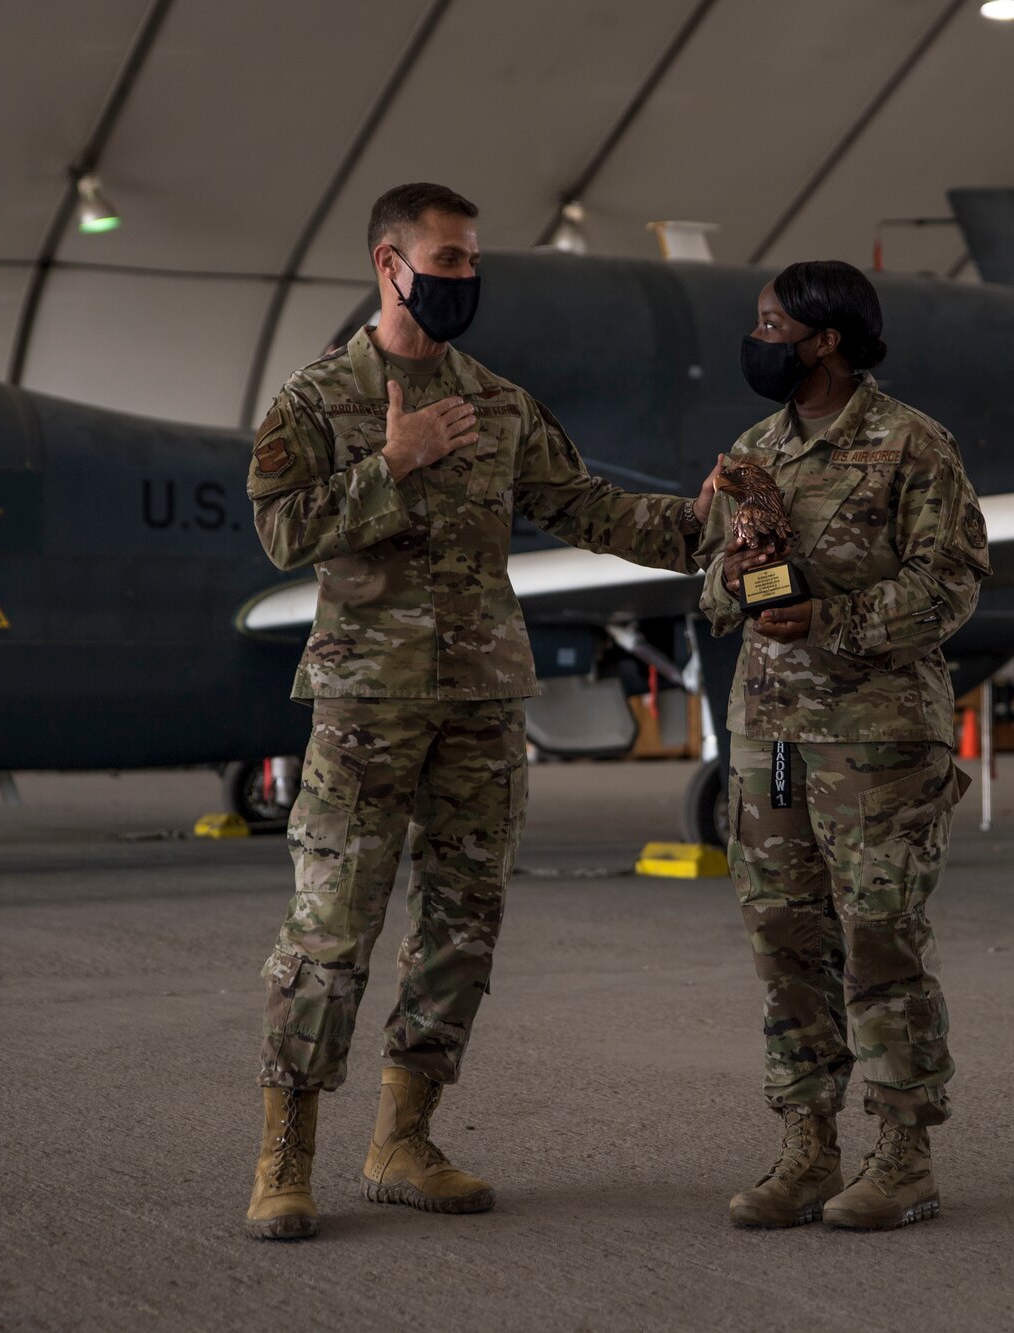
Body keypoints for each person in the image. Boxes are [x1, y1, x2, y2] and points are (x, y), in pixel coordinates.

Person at [242, 183, 713, 1240]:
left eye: (470, 263)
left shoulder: (496, 402)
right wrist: (390, 467)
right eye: (447, 261)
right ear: (388, 265)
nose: (465, 280)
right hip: (365, 700)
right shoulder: (317, 399)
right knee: (329, 934)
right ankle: (284, 1158)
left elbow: (584, 504)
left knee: (461, 928)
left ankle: (402, 1139)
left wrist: (706, 525)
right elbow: (281, 533)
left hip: (482, 701)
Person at [698, 260, 990, 1232]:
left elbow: (948, 583)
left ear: (823, 340)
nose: (758, 336)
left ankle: (903, 1156)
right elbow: (707, 590)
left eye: (771, 322)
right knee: (785, 944)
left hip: (875, 743)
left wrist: (827, 620)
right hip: (769, 740)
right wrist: (739, 575)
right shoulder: (750, 451)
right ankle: (806, 1148)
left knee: (877, 945)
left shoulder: (911, 444)